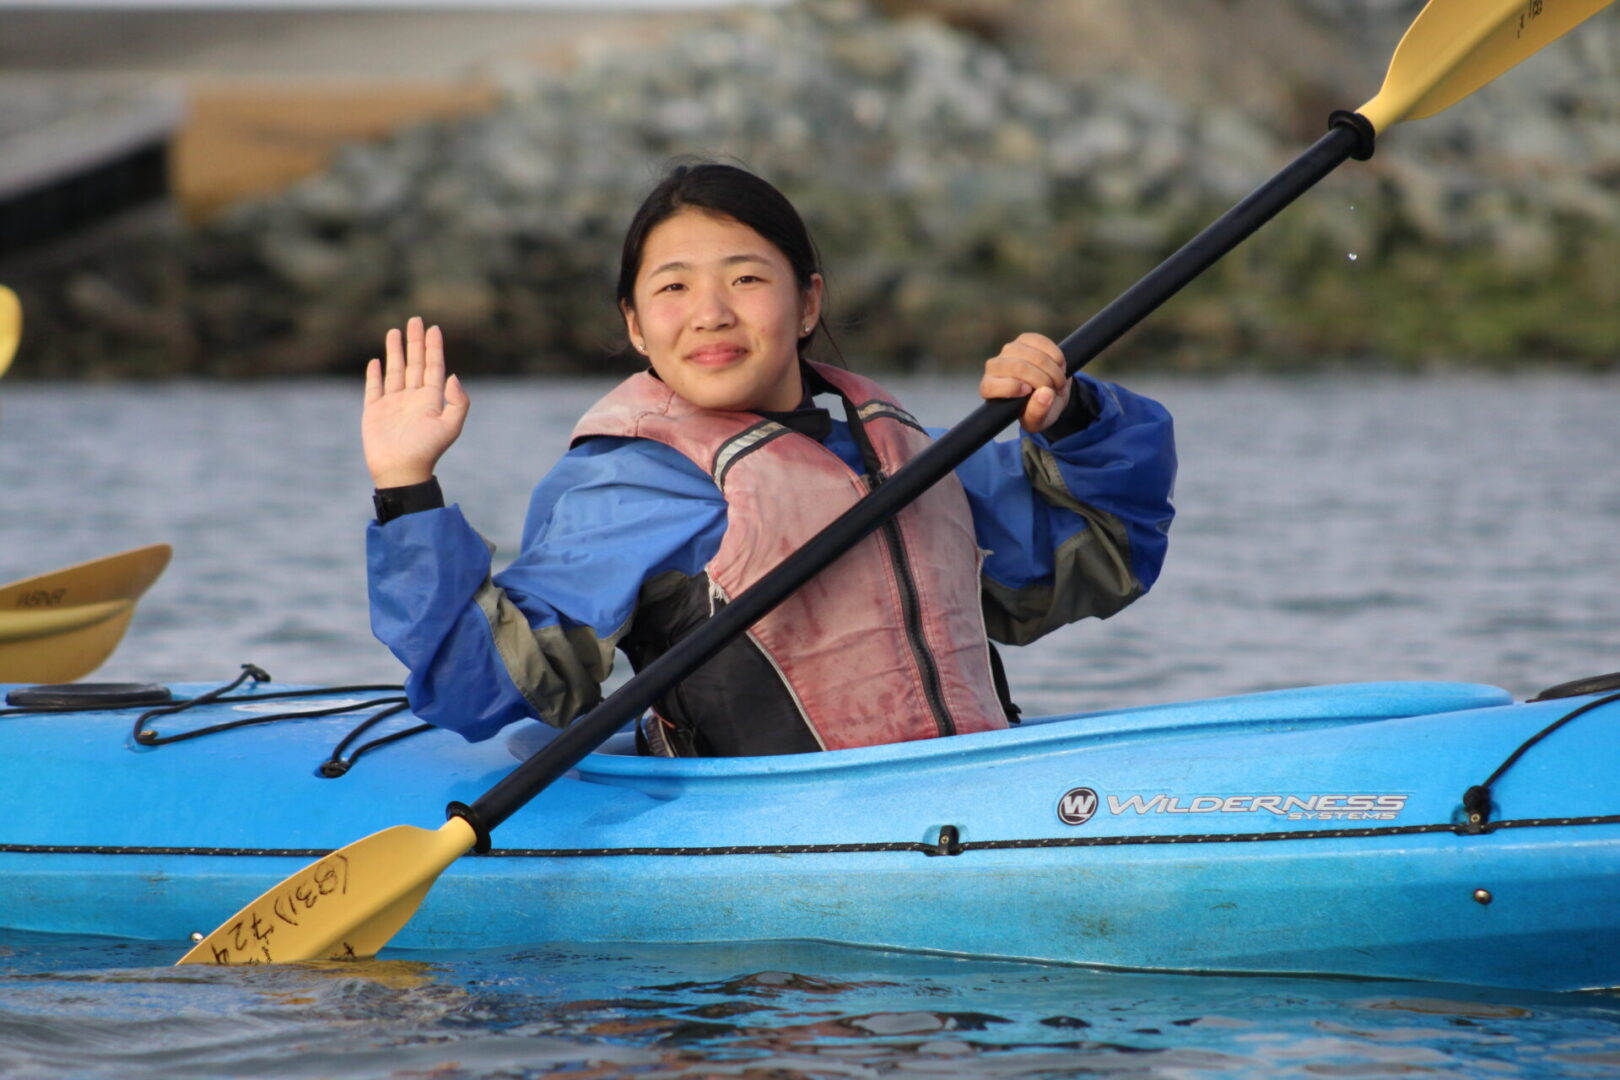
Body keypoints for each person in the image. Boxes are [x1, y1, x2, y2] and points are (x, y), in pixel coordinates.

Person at [363, 162, 1175, 757]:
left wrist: (1070, 419)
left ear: (808, 302)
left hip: (962, 797)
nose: (710, 314)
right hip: (763, 872)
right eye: (673, 289)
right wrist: (407, 489)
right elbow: (482, 691)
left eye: (746, 278)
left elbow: (1108, 554)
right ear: (637, 325)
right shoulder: (628, 480)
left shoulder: (898, 450)